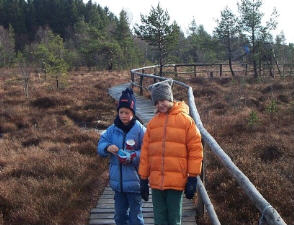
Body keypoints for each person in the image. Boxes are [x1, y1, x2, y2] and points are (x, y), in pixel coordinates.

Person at [139, 79, 203, 225]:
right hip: (156, 182)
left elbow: (196, 149)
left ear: (170, 98)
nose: (160, 104)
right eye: (157, 102)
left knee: (174, 219)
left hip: (176, 181)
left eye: (163, 100)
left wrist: (192, 176)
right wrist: (143, 178)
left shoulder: (186, 121)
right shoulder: (152, 124)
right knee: (159, 218)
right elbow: (145, 153)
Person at [97, 87, 146, 225]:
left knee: (136, 217)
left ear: (133, 113)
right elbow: (100, 145)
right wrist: (107, 147)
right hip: (117, 184)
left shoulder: (141, 130)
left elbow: (147, 152)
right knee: (119, 216)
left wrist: (132, 156)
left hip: (135, 183)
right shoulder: (112, 130)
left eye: (127, 112)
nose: (124, 115)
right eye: (121, 112)